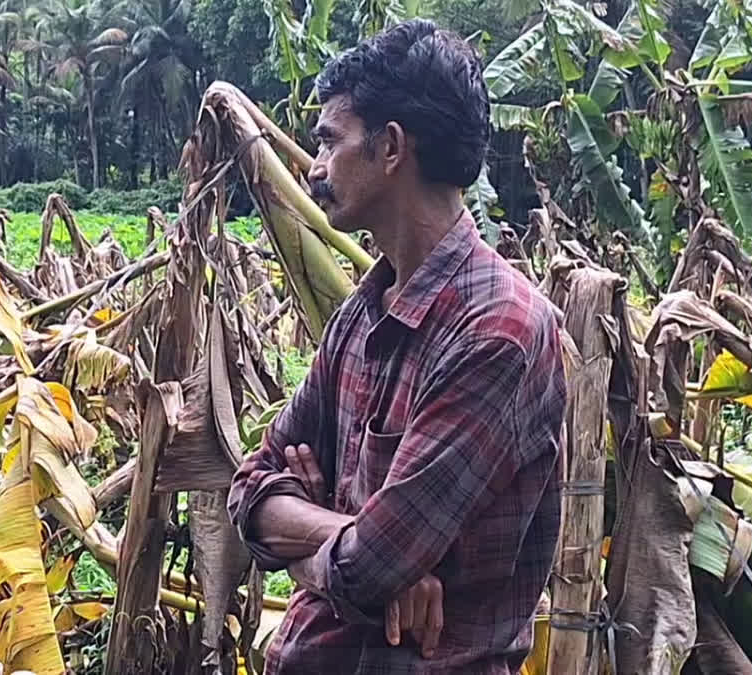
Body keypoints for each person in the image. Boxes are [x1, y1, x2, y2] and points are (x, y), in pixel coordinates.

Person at [226, 18, 566, 674]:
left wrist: (327, 539)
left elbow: (372, 564)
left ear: (389, 148)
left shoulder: (498, 333)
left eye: (329, 141)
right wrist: (338, 531)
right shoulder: (362, 312)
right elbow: (249, 488)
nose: (316, 168)